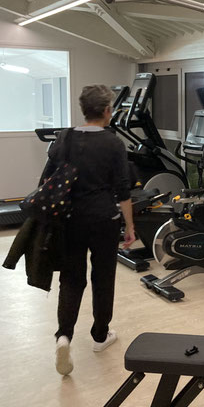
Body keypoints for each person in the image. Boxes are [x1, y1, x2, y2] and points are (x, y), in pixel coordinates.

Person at [48, 84, 135, 376]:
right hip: (103, 220)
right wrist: (130, 227)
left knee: (72, 280)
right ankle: (100, 336)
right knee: (103, 277)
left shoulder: (65, 138)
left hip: (70, 219)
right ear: (107, 111)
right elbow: (123, 190)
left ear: (83, 109)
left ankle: (64, 336)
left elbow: (49, 178)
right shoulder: (113, 143)